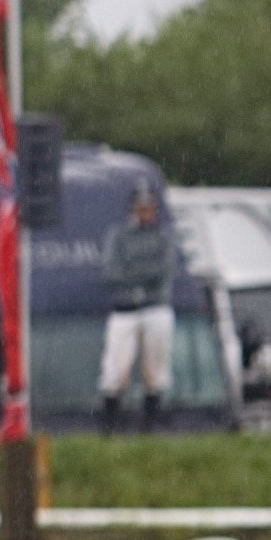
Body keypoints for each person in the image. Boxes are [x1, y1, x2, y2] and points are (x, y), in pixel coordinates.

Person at [96, 183, 178, 434]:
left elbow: (164, 269)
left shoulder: (163, 237)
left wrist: (136, 275)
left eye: (149, 208)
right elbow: (111, 271)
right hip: (124, 308)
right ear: (132, 209)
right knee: (115, 370)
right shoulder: (118, 236)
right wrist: (139, 280)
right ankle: (109, 427)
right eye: (141, 208)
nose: (145, 213)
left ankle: (149, 427)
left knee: (155, 370)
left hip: (155, 306)